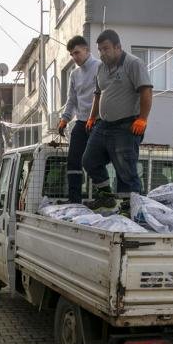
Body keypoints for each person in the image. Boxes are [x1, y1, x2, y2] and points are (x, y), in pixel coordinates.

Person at [82, 29, 153, 212]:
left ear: (118, 47)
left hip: (126, 125)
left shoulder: (133, 64)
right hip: (103, 125)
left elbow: (146, 91)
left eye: (106, 49)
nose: (103, 53)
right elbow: (98, 94)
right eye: (100, 50)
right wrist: (91, 117)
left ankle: (130, 209)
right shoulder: (101, 67)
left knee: (126, 171)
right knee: (90, 160)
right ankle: (106, 196)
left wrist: (143, 119)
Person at [58, 35, 101, 204]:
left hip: (99, 121)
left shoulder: (100, 67)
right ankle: (74, 199)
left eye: (77, 52)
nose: (74, 57)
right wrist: (64, 119)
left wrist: (94, 117)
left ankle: (102, 197)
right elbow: (72, 100)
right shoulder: (74, 74)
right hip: (82, 121)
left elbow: (103, 94)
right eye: (71, 54)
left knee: (93, 160)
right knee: (73, 159)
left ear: (87, 50)